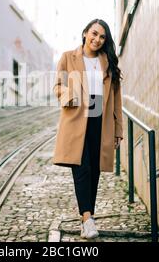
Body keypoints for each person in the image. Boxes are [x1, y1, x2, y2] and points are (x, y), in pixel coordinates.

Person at [52, 19, 124, 239]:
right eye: (94, 34)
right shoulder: (68, 57)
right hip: (77, 117)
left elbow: (117, 98)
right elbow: (57, 86)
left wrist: (118, 130)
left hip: (100, 118)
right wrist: (70, 95)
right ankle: (87, 219)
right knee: (82, 168)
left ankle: (88, 218)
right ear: (85, 33)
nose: (97, 39)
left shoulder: (107, 62)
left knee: (93, 171)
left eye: (102, 37)